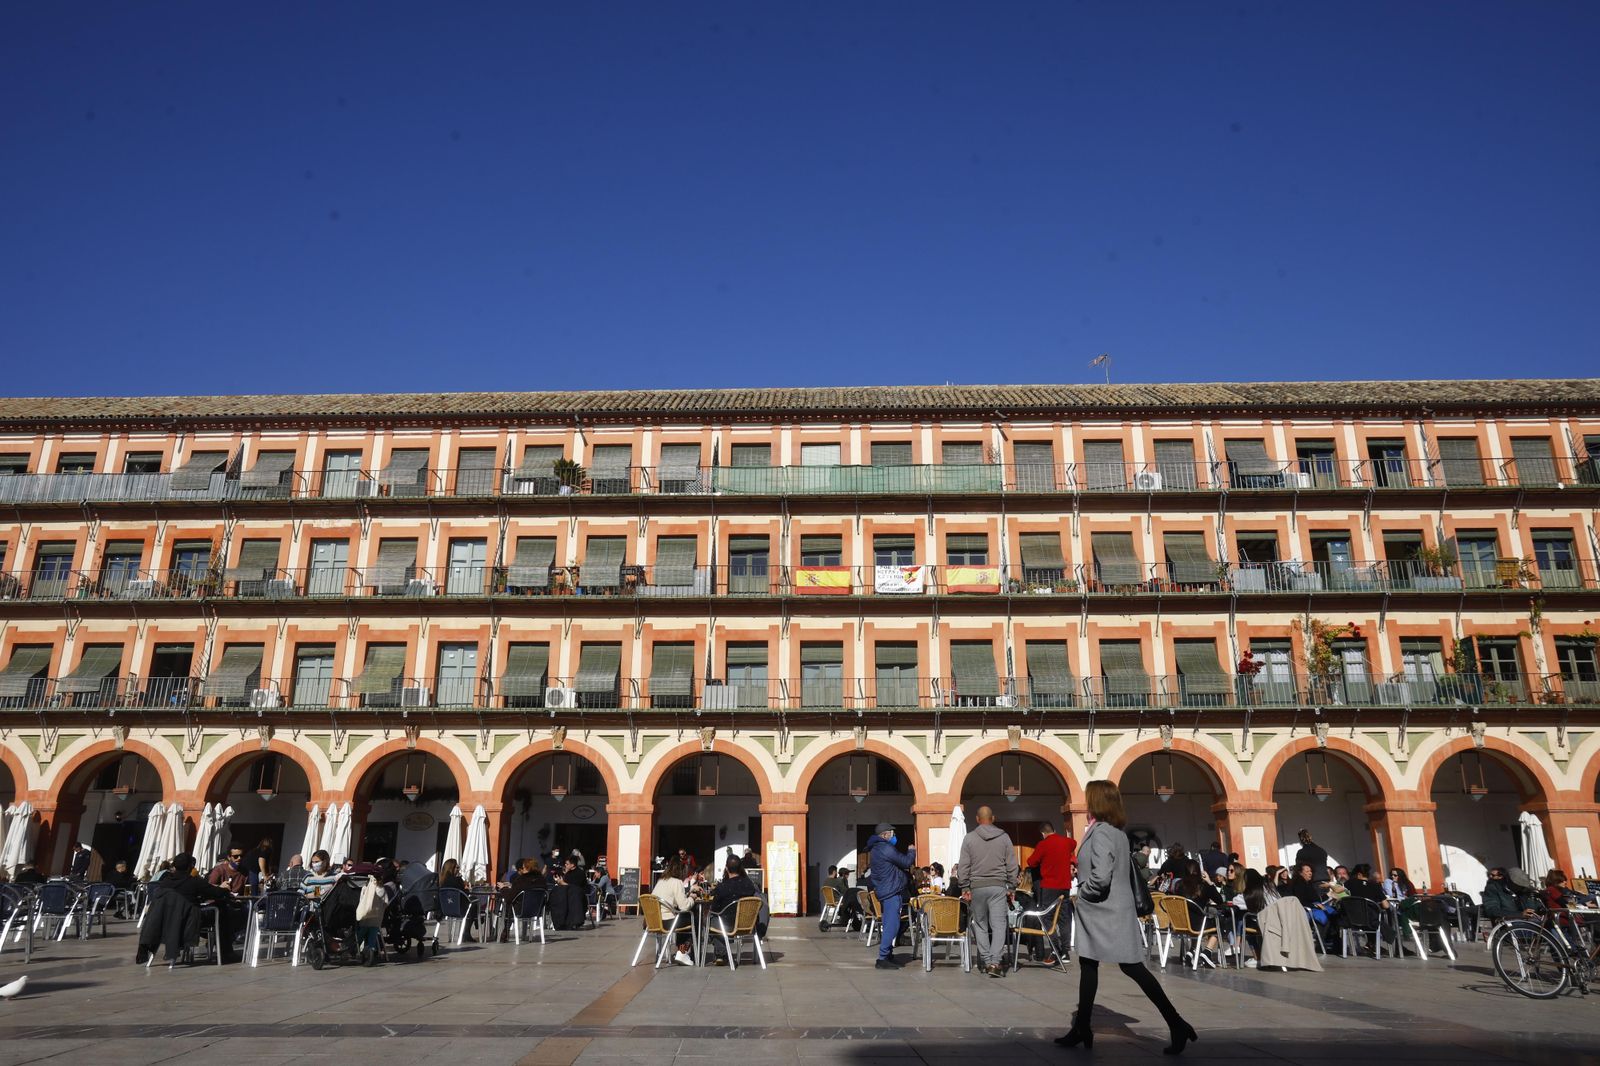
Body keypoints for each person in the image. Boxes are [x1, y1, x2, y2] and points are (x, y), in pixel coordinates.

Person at [1058, 780, 1196, 1055]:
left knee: (1131, 967)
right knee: (1090, 963)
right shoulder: (1116, 833)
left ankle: (1176, 1022)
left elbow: (1101, 874)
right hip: (1111, 910)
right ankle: (1082, 1026)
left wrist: (1083, 892)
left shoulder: (1101, 834)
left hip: (1103, 909)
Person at [140, 851, 243, 964]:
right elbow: (217, 893)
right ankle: (225, 952)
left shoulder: (164, 883)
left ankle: (216, 946)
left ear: (174, 866)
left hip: (165, 922)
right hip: (188, 922)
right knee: (222, 910)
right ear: (190, 866)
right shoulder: (194, 882)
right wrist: (224, 888)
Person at [866, 822, 915, 969]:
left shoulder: (877, 849)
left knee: (889, 923)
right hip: (890, 891)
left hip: (887, 889)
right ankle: (882, 958)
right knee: (892, 925)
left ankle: (888, 954)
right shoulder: (885, 848)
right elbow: (906, 861)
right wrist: (911, 851)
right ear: (885, 835)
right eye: (892, 834)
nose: (894, 836)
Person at [1026, 820, 1075, 965]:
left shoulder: (1043, 844)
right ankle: (1065, 951)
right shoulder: (1066, 842)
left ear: (1043, 833)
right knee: (1064, 918)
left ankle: (1055, 947)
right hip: (1065, 886)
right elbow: (1074, 843)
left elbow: (1031, 862)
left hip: (1049, 886)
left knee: (1047, 917)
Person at [651, 856, 697, 965]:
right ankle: (683, 951)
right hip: (667, 922)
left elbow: (671, 899)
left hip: (654, 921)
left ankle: (682, 951)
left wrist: (688, 891)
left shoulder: (661, 880)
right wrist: (692, 898)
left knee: (683, 917)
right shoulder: (677, 882)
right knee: (693, 918)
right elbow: (684, 906)